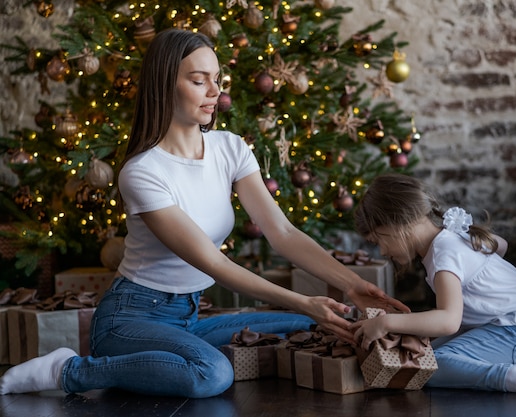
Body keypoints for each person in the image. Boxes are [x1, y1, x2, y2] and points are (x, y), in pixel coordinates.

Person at [0, 29, 407, 398]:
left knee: (317, 323)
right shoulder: (142, 173)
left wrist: (352, 285)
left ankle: (177, 349)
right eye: (199, 81)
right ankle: (68, 370)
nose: (214, 91)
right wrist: (304, 300)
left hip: (192, 313)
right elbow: (212, 261)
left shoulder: (230, 148)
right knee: (211, 375)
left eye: (217, 79)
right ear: (165, 85)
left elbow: (281, 231)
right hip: (132, 317)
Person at [349, 173, 516, 395]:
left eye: (378, 241)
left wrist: (386, 322)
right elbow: (500, 246)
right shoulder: (451, 238)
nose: (383, 251)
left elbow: (448, 321)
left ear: (397, 224)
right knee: (423, 352)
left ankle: (511, 375)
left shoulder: (444, 254)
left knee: (430, 368)